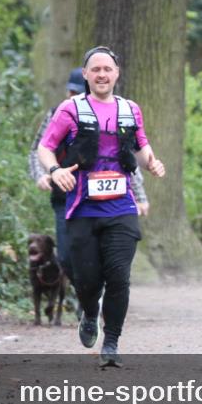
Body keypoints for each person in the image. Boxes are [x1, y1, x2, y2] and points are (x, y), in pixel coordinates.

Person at [37, 47, 165, 367]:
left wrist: (152, 162)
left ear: (117, 73)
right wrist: (55, 171)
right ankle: (90, 314)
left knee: (119, 276)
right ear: (86, 74)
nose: (102, 74)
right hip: (82, 208)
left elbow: (142, 144)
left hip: (121, 207)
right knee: (87, 280)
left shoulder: (130, 109)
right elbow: (45, 147)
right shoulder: (70, 109)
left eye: (107, 69)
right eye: (96, 70)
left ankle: (111, 343)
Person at [29, 68, 150, 290]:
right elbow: (40, 148)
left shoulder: (115, 113)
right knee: (66, 256)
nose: (75, 98)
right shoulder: (59, 113)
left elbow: (127, 159)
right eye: (72, 92)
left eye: (79, 93)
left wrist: (140, 196)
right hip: (67, 196)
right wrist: (43, 174)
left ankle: (96, 299)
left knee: (106, 257)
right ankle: (88, 298)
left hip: (110, 200)